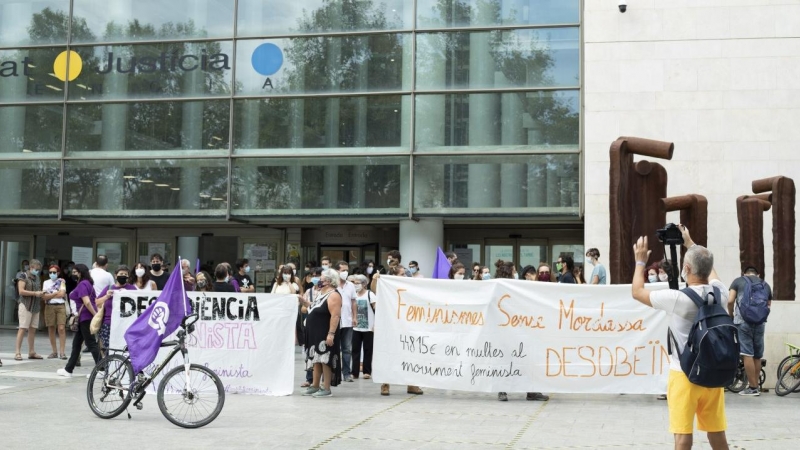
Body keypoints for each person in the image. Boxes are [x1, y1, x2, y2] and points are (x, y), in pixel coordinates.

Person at [630, 225, 729, 450]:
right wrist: (690, 242)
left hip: (684, 374)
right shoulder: (720, 293)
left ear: (686, 268)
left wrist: (640, 262)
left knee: (683, 436)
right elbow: (711, 272)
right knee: (717, 433)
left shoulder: (677, 299)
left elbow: (637, 292)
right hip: (713, 374)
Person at [495, 260, 548, 402]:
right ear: (510, 272)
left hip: (521, 329)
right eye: (514, 271)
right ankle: (509, 390)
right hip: (510, 330)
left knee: (523, 360)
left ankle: (525, 391)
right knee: (511, 361)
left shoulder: (517, 287)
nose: (516, 273)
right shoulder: (501, 286)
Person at [371, 264, 423, 396]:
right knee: (387, 353)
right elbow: (374, 290)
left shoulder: (410, 286)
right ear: (393, 276)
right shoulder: (387, 286)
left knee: (410, 353)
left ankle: (412, 384)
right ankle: (385, 384)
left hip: (407, 325)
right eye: (401, 274)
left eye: (405, 274)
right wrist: (375, 279)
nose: (404, 276)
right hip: (389, 325)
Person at [728, 266, 772, 396]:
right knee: (757, 355)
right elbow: (768, 306)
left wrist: (730, 315)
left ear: (744, 273)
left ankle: (752, 388)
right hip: (760, 323)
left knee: (747, 353)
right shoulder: (766, 285)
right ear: (758, 274)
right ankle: (755, 386)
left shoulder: (738, 281)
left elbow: (730, 301)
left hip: (743, 322)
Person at [301, 268, 343, 397]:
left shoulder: (334, 295)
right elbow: (314, 308)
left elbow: (335, 316)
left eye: (321, 279)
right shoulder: (321, 293)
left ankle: (326, 388)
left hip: (324, 332)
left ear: (329, 281)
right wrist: (303, 301)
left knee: (325, 359)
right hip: (315, 333)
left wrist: (331, 334)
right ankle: (315, 385)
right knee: (316, 359)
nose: (319, 281)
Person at [57, 264, 103, 378]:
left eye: (75, 272)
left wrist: (95, 315)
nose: (73, 274)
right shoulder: (88, 283)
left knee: (91, 343)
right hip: (85, 317)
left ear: (81, 272)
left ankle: (102, 369)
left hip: (86, 317)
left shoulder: (83, 284)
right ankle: (68, 369)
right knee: (77, 344)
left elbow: (87, 302)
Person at [95, 266, 136, 354]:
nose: (123, 276)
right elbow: (97, 303)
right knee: (108, 349)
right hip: (108, 323)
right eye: (121, 274)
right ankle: (108, 366)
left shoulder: (132, 289)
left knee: (124, 349)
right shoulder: (109, 288)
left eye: (125, 274)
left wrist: (128, 294)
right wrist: (107, 296)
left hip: (125, 324)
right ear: (115, 276)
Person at [14, 259, 44, 361]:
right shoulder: (23, 276)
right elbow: (21, 291)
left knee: (33, 329)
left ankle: (31, 351)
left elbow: (38, 289)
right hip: (25, 305)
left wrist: (42, 293)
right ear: (31, 267)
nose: (37, 271)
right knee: (22, 328)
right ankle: (17, 352)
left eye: (39, 269)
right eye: (36, 269)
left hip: (35, 306)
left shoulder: (37, 278)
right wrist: (35, 293)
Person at [299, 267, 323, 388]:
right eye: (313, 275)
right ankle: (309, 378)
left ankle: (321, 379)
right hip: (309, 324)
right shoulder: (309, 292)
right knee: (309, 351)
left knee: (321, 352)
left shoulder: (326, 291)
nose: (316, 278)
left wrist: (310, 306)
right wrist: (310, 306)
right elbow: (303, 308)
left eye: (318, 275)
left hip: (322, 324)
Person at [334, 261, 358, 382]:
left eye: (346, 270)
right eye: (343, 270)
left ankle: (347, 373)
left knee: (347, 348)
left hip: (347, 321)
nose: (345, 272)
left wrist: (355, 317)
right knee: (334, 349)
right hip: (335, 321)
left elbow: (354, 302)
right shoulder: (333, 285)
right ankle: (334, 372)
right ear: (337, 271)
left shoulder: (351, 285)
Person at [351, 274, 375, 380]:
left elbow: (377, 309)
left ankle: (367, 371)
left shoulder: (370, 294)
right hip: (356, 327)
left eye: (357, 283)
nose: (355, 285)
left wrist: (376, 324)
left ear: (364, 284)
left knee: (368, 349)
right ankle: (354, 372)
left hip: (369, 327)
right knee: (355, 350)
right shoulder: (354, 295)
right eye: (354, 283)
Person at [43, 265, 68, 360]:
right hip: (49, 306)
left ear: (58, 273)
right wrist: (55, 294)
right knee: (51, 328)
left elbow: (62, 294)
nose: (52, 274)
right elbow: (44, 296)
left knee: (61, 328)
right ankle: (54, 351)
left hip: (60, 306)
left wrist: (50, 295)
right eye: (50, 272)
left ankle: (62, 352)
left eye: (54, 272)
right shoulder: (46, 282)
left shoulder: (61, 282)